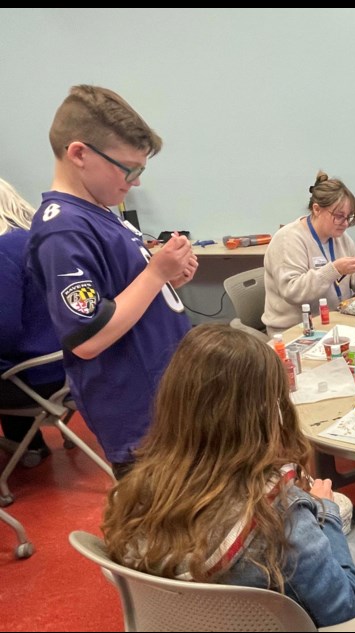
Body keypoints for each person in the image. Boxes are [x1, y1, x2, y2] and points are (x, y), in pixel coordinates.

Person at [101, 324, 355, 628]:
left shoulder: (133, 491)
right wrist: (325, 512)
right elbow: (344, 607)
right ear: (266, 413)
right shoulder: (280, 514)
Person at [26, 85, 197, 478]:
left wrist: (169, 279)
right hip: (141, 420)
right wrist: (156, 274)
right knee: (168, 530)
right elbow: (89, 338)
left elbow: (123, 297)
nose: (134, 181)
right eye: (128, 168)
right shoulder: (63, 229)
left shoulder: (101, 213)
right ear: (79, 153)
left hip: (169, 406)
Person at [263, 171, 355, 336]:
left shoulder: (340, 237)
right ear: (316, 209)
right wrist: (334, 270)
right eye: (339, 216)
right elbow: (293, 291)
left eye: (348, 217)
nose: (345, 224)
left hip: (333, 322)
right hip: (295, 330)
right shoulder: (288, 239)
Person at [0, 178, 63, 464]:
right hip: (70, 367)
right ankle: (27, 445)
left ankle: (23, 447)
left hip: (36, 379)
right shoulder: (40, 238)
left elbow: (5, 332)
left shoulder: (2, 251)